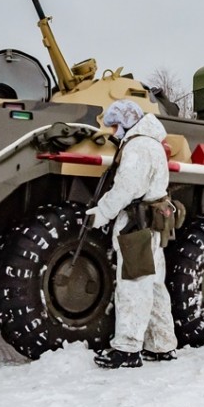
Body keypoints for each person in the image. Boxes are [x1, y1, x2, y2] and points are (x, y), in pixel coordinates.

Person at [85, 100, 178, 369]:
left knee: (133, 285)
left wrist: (100, 213)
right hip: (154, 224)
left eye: (115, 125)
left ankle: (127, 349)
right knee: (155, 284)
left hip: (136, 225)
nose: (114, 132)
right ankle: (162, 345)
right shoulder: (153, 143)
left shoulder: (137, 147)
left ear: (127, 121)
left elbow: (126, 189)